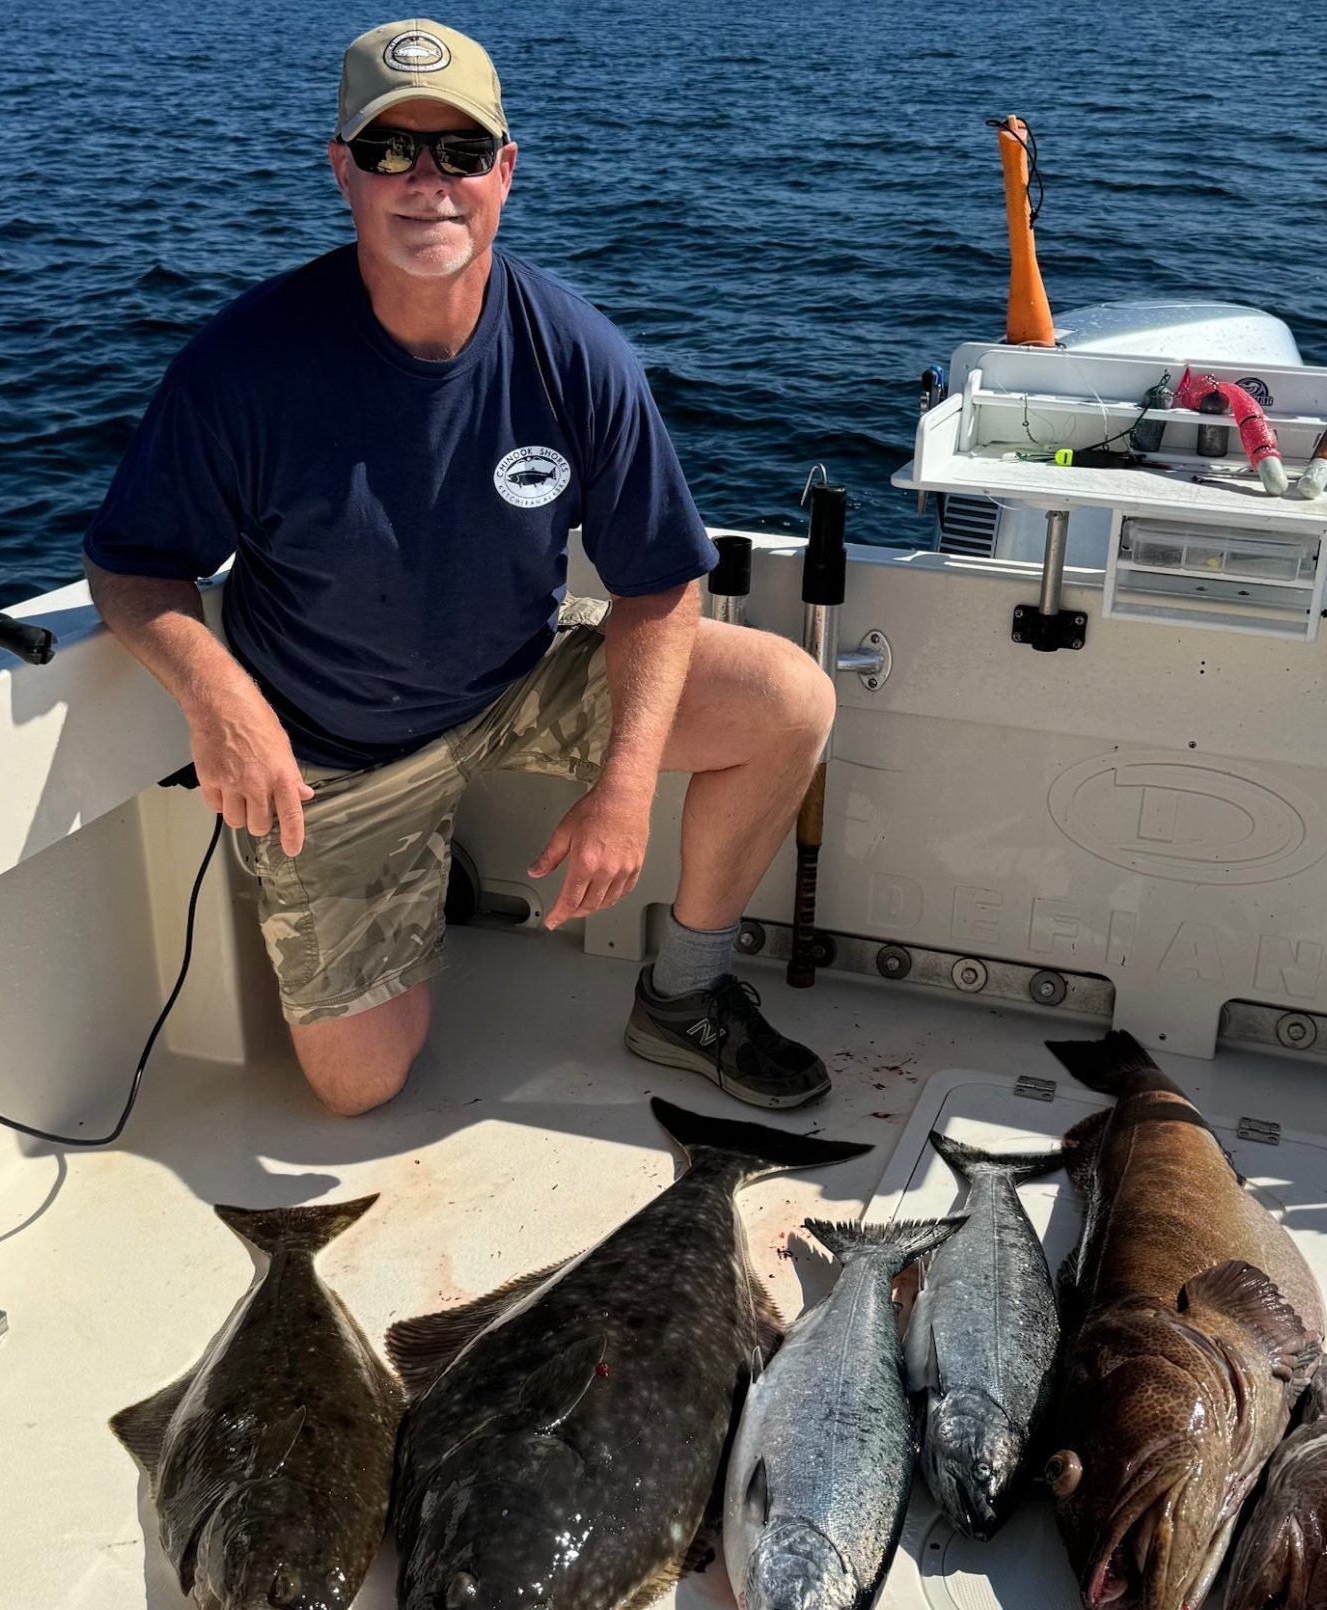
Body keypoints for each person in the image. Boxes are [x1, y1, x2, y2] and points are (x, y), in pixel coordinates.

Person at [82, 19, 835, 1116]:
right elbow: (130, 568)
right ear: (340, 168)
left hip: (515, 677)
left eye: (460, 153)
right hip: (332, 748)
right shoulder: (242, 367)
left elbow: (659, 583)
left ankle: (686, 997)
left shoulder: (577, 351)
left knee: (787, 698)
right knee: (358, 1086)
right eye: (391, 151)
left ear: (506, 172)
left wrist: (626, 791)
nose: (427, 183)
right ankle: (419, 862)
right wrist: (221, 699)